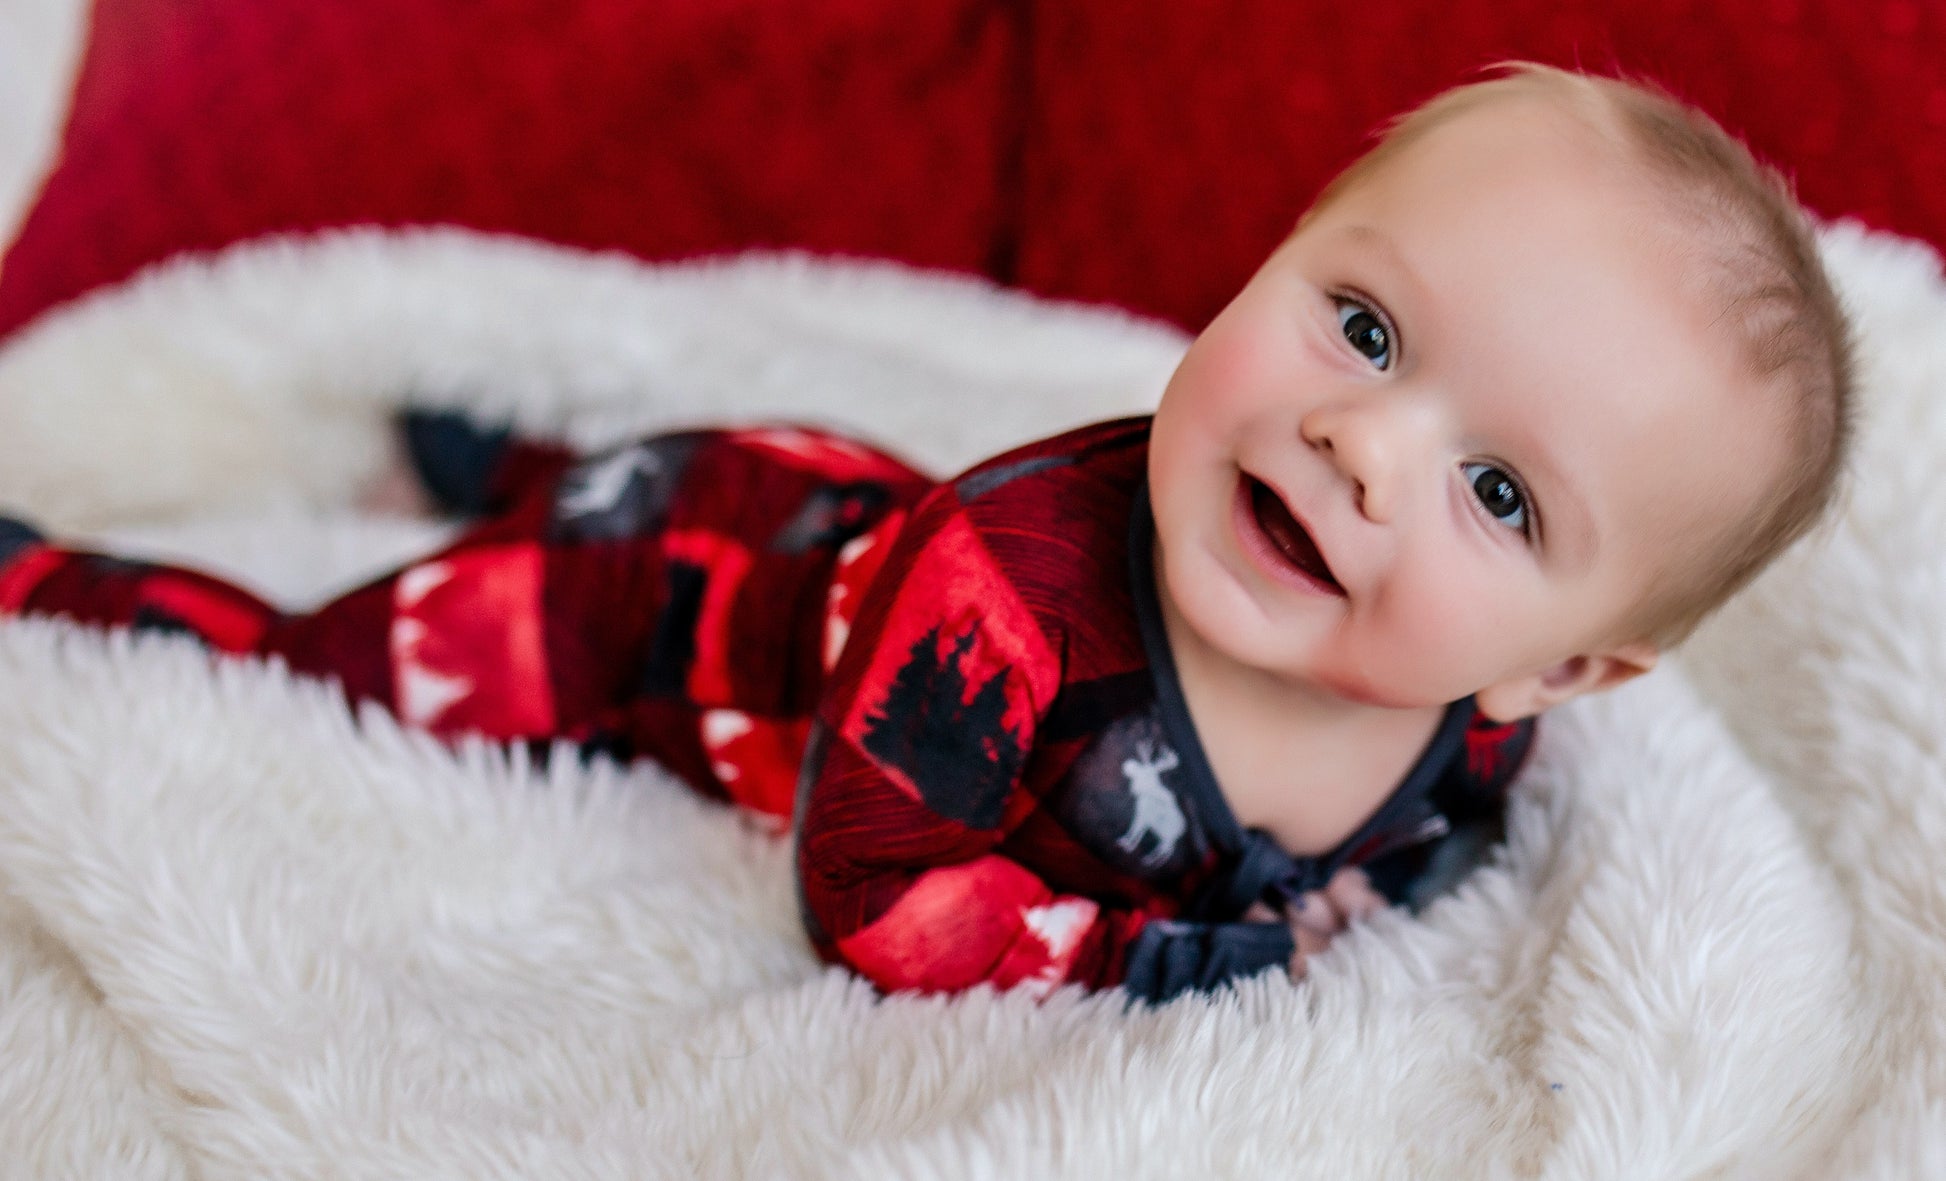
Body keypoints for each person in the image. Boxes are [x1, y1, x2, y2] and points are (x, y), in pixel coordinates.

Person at [0, 64, 1852, 1002]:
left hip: (825, 506)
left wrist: (1365, 900)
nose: (1360, 443)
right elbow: (869, 897)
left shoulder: (1470, 725)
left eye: (1500, 493)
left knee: (676, 477)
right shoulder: (1001, 594)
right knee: (324, 656)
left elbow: (1436, 835)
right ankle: (51, 562)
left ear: (1564, 663)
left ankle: (486, 453)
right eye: (1362, 327)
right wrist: (1183, 957)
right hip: (666, 592)